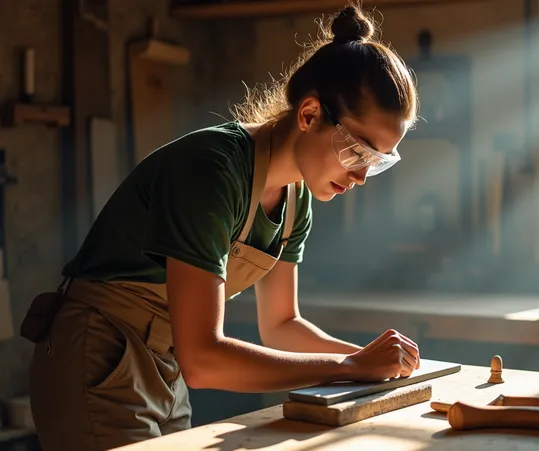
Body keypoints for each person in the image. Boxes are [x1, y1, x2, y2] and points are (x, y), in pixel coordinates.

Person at [22, 4, 422, 450]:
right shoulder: (214, 170)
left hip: (164, 364)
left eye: (379, 161)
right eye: (358, 152)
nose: (362, 176)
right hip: (96, 355)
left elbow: (282, 324)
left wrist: (373, 362)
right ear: (309, 114)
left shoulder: (296, 199)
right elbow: (205, 359)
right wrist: (349, 369)